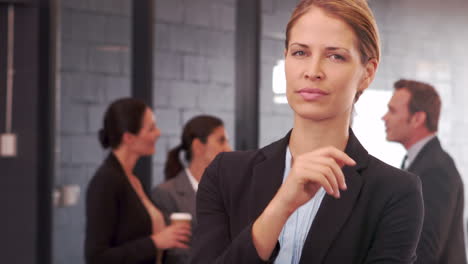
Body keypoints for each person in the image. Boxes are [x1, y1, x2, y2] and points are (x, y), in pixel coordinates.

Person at [190, 0, 424, 263]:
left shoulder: (394, 192)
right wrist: (280, 207)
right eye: (300, 53)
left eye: (335, 56)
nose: (313, 72)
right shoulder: (225, 175)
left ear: (367, 73)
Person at [85, 98, 191, 264]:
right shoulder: (106, 182)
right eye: (151, 128)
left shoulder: (133, 179)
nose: (158, 133)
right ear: (129, 138)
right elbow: (97, 257)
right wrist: (156, 242)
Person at [382, 79, 466, 264]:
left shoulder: (436, 169)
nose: (384, 117)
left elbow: (424, 251)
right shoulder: (421, 162)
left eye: (393, 110)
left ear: (417, 119)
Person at [151, 115, 232, 264]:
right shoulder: (166, 194)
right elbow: (177, 254)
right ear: (198, 146)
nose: (228, 148)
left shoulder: (228, 192)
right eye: (221, 141)